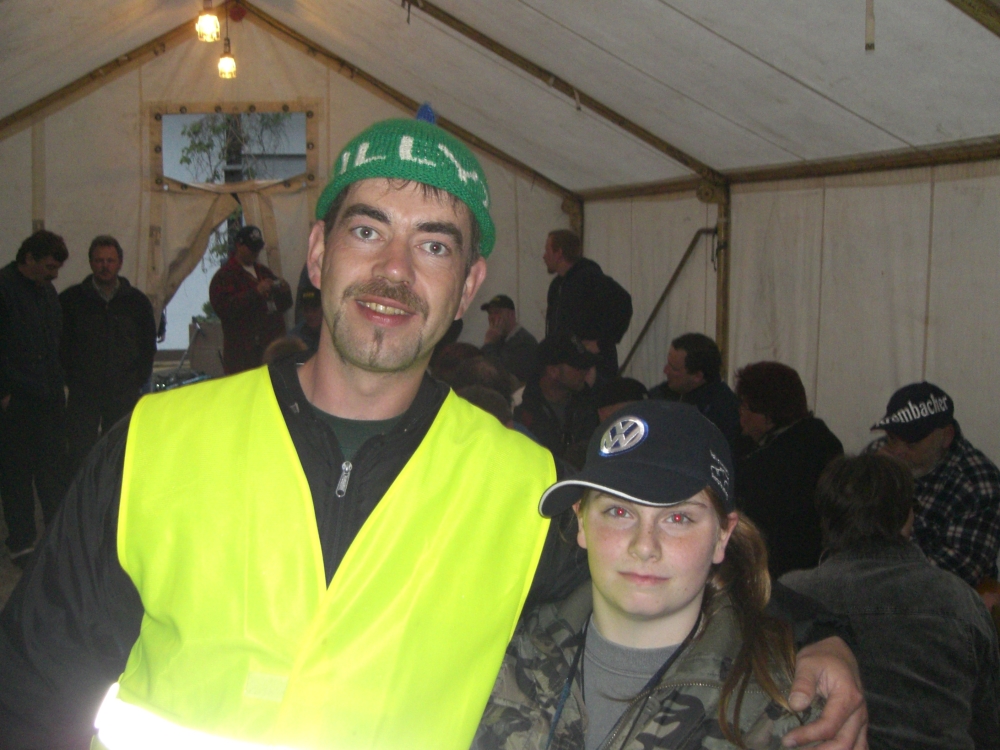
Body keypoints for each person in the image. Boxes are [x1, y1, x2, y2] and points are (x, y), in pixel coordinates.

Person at [0, 119, 867, 750]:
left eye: (434, 247)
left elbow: (665, 573)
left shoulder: (520, 486)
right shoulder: (157, 443)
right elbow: (31, 688)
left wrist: (819, 632)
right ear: (318, 253)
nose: (393, 271)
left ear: (469, 285)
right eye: (367, 230)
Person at [473, 401, 821, 749]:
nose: (644, 546)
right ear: (581, 521)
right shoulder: (500, 659)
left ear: (722, 535)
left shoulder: (781, 711)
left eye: (678, 518)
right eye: (618, 511)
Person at [782, 454, 1000, 750]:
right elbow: (989, 726)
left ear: (825, 519)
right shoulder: (959, 598)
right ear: (908, 517)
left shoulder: (791, 596)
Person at [867, 382, 1000, 589]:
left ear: (946, 436)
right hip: (870, 587)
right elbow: (844, 533)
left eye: (911, 443)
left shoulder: (977, 484)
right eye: (892, 438)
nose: (898, 451)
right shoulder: (878, 455)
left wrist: (898, 496)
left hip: (939, 602)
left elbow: (952, 578)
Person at [734, 361, 843, 578]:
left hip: (779, 572)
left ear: (767, 415)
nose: (740, 413)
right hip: (823, 567)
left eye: (745, 406)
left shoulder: (768, 464)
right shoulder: (824, 440)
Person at [0, 230, 70, 568]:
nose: (53, 274)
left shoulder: (46, 292)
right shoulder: (4, 290)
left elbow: (54, 341)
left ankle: (56, 536)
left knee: (52, 471)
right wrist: (4, 392)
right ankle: (21, 542)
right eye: (49, 267)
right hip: (17, 398)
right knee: (16, 474)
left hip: (47, 395)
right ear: (29, 259)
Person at [59, 235, 156, 472]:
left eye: (110, 261)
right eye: (99, 260)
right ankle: (82, 494)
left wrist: (137, 379)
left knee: (121, 450)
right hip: (84, 392)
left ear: (120, 263)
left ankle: (116, 494)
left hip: (123, 390)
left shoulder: (136, 302)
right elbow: (61, 344)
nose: (105, 266)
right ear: (91, 263)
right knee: (80, 451)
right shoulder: (71, 301)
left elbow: (147, 345)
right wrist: (71, 378)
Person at [544, 229, 632, 383]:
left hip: (592, 369)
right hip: (567, 369)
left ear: (559, 253)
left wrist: (602, 343)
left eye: (547, 250)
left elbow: (623, 303)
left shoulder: (589, 278)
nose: (544, 256)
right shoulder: (557, 286)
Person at [209, 224, 293, 374]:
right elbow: (225, 309)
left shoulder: (264, 272)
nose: (255, 252)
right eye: (251, 248)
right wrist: (255, 293)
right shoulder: (224, 277)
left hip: (270, 351)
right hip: (243, 356)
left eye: (257, 248)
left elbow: (284, 305)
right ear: (238, 245)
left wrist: (284, 291)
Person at [649, 332, 743, 452]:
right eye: (668, 363)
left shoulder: (723, 413)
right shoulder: (666, 393)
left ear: (697, 376)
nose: (665, 370)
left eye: (674, 368)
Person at [515, 334, 600, 464]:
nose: (585, 371)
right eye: (578, 366)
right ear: (553, 371)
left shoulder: (590, 407)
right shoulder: (520, 409)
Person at [480, 293, 537, 386]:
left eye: (497, 312)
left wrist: (489, 344)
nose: (492, 317)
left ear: (511, 314)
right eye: (490, 313)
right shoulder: (499, 338)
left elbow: (499, 373)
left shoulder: (524, 342)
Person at [289, 287, 322, 353]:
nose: (310, 314)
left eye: (314, 309)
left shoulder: (335, 334)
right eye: (306, 310)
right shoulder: (294, 337)